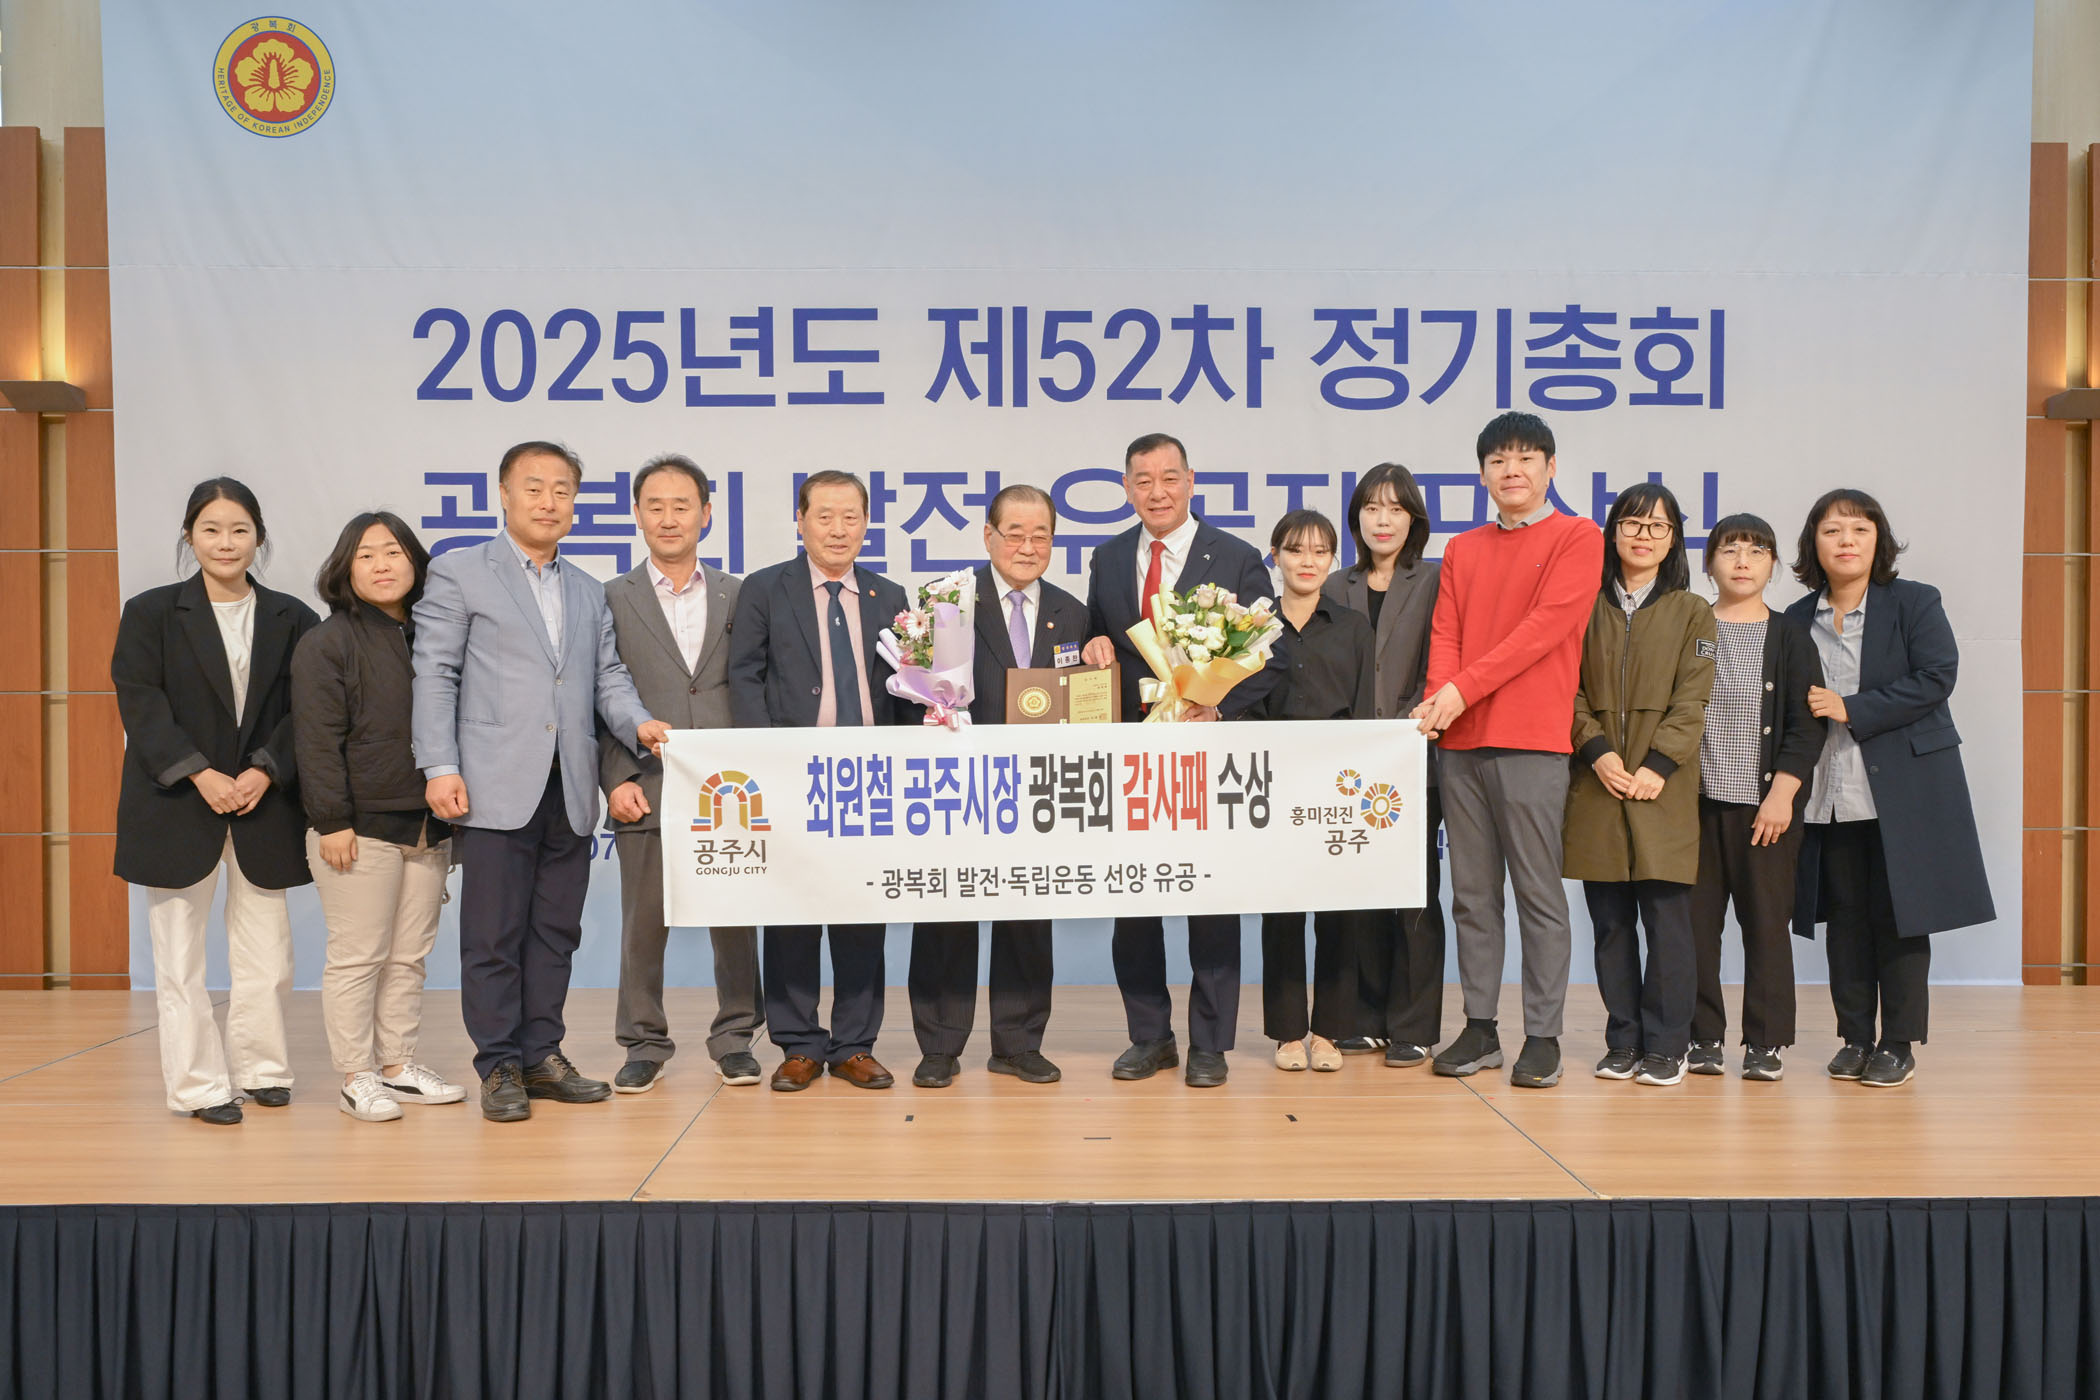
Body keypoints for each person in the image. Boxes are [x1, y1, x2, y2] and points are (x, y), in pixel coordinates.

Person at [412, 441, 669, 1122]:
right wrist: (440, 765)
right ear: (503, 494)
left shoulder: (586, 588)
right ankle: (498, 1063)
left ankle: (541, 1055)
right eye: (534, 488)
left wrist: (638, 723)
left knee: (556, 932)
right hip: (492, 782)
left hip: (570, 786)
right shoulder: (460, 572)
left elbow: (606, 676)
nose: (548, 502)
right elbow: (435, 672)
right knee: (493, 936)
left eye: (562, 490)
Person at [1079, 432, 1285, 1087]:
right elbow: (1097, 635)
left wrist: (1220, 709)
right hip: (1133, 757)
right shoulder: (1109, 557)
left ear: (1191, 482)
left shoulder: (1237, 556)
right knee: (1134, 902)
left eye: (1170, 478)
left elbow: (1269, 654)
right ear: (1126, 488)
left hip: (1207, 755)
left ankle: (1210, 1044)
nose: (1157, 491)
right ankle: (1150, 1037)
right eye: (1143, 480)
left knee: (1212, 901)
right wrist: (1092, 644)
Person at [111, 478, 318, 1124]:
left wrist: (265, 771)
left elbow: (306, 709)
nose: (226, 543)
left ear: (259, 537)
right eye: (211, 529)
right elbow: (141, 704)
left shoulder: (293, 617)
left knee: (268, 953)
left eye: (239, 530)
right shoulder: (150, 612)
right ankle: (199, 1085)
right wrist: (200, 773)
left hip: (264, 803)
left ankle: (262, 1068)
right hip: (176, 800)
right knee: (179, 959)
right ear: (189, 536)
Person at [1415, 413, 1603, 1090]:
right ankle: (1480, 1026)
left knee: (1537, 893)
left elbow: (1543, 630)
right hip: (1460, 743)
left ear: (1551, 468)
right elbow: (1446, 633)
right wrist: (1439, 702)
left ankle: (1543, 1035)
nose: (1512, 470)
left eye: (1526, 458)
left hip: (1531, 739)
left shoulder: (1579, 537)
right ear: (1483, 475)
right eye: (1498, 460)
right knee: (1472, 895)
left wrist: (1460, 690)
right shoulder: (1463, 548)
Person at [1787, 489, 1993, 1087]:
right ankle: (1854, 1037)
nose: (1846, 540)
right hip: (1828, 792)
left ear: (1878, 540)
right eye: (1832, 530)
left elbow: (1936, 677)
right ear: (1813, 544)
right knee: (1845, 919)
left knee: (1903, 917)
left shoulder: (1914, 602)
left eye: (1859, 528)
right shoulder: (1796, 618)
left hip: (1905, 789)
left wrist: (1851, 707)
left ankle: (1898, 1042)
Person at [727, 470, 917, 1092]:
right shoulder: (765, 589)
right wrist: (768, 762)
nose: (838, 529)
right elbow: (745, 677)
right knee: (792, 913)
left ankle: (855, 1044)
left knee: (862, 910)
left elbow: (909, 688)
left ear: (867, 524)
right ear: (800, 522)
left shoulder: (891, 595)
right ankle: (799, 1045)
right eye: (825, 516)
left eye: (851, 517)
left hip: (871, 778)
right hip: (793, 775)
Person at [906, 485, 1082, 1088]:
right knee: (947, 913)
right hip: (957, 784)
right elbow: (910, 689)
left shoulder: (1072, 612)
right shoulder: (947, 602)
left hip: (1037, 789)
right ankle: (939, 1044)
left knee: (1028, 914)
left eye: (1041, 536)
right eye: (1015, 534)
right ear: (988, 536)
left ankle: (1018, 1042)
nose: (1027, 547)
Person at [598, 455, 764, 1093]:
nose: (669, 518)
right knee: (643, 924)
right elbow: (596, 694)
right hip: (646, 780)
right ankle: (643, 1042)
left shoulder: (740, 594)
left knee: (735, 917)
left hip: (731, 789)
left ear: (707, 514)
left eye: (682, 506)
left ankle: (736, 1037)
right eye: (656, 506)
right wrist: (615, 778)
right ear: (638, 515)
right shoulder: (610, 597)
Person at [292, 511, 465, 1122]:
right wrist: (331, 820)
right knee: (358, 956)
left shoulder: (434, 635)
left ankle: (397, 1065)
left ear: (414, 561)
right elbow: (315, 741)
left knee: (408, 957)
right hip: (358, 828)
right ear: (346, 568)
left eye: (393, 552)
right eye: (365, 555)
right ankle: (356, 1075)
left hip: (427, 825)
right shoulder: (327, 642)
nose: (382, 565)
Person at [1564, 484, 1715, 1088]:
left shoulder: (1692, 610)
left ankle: (1668, 1045)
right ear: (1613, 533)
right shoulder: (1584, 604)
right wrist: (1596, 751)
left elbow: (1693, 698)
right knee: (1610, 927)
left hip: (1663, 788)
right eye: (1632, 523)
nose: (1643, 535)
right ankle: (1623, 1039)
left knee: (1668, 926)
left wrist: (1659, 764)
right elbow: (1567, 689)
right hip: (1598, 784)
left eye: (1658, 526)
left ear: (1673, 539)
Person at [1687, 513, 1824, 1081]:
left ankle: (1766, 1042)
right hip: (1693, 806)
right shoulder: (1690, 625)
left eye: (1756, 551)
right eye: (1729, 550)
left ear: (1773, 565)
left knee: (1766, 926)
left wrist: (1782, 794)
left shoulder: (1789, 634)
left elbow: (1807, 724)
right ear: (1709, 563)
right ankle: (1701, 1037)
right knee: (1695, 929)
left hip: (1765, 809)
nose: (1742, 561)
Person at [1321, 462, 1445, 1066]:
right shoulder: (1334, 585)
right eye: (1372, 508)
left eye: (1396, 509)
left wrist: (1404, 723)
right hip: (1348, 765)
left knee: (1414, 893)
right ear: (1357, 519)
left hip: (1415, 754)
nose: (1383, 520)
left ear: (1413, 518)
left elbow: (1444, 660)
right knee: (1360, 891)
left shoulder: (1436, 579)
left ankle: (1414, 1024)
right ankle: (1366, 1017)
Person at [1253, 509, 1375, 1073]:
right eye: (1296, 549)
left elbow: (1365, 707)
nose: (1308, 561)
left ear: (1332, 560)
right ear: (1275, 555)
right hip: (1272, 782)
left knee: (1339, 913)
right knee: (1281, 912)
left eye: (1320, 551)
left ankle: (1329, 1031)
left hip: (1338, 783)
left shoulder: (1352, 627)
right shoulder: (1252, 626)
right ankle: (1286, 1033)